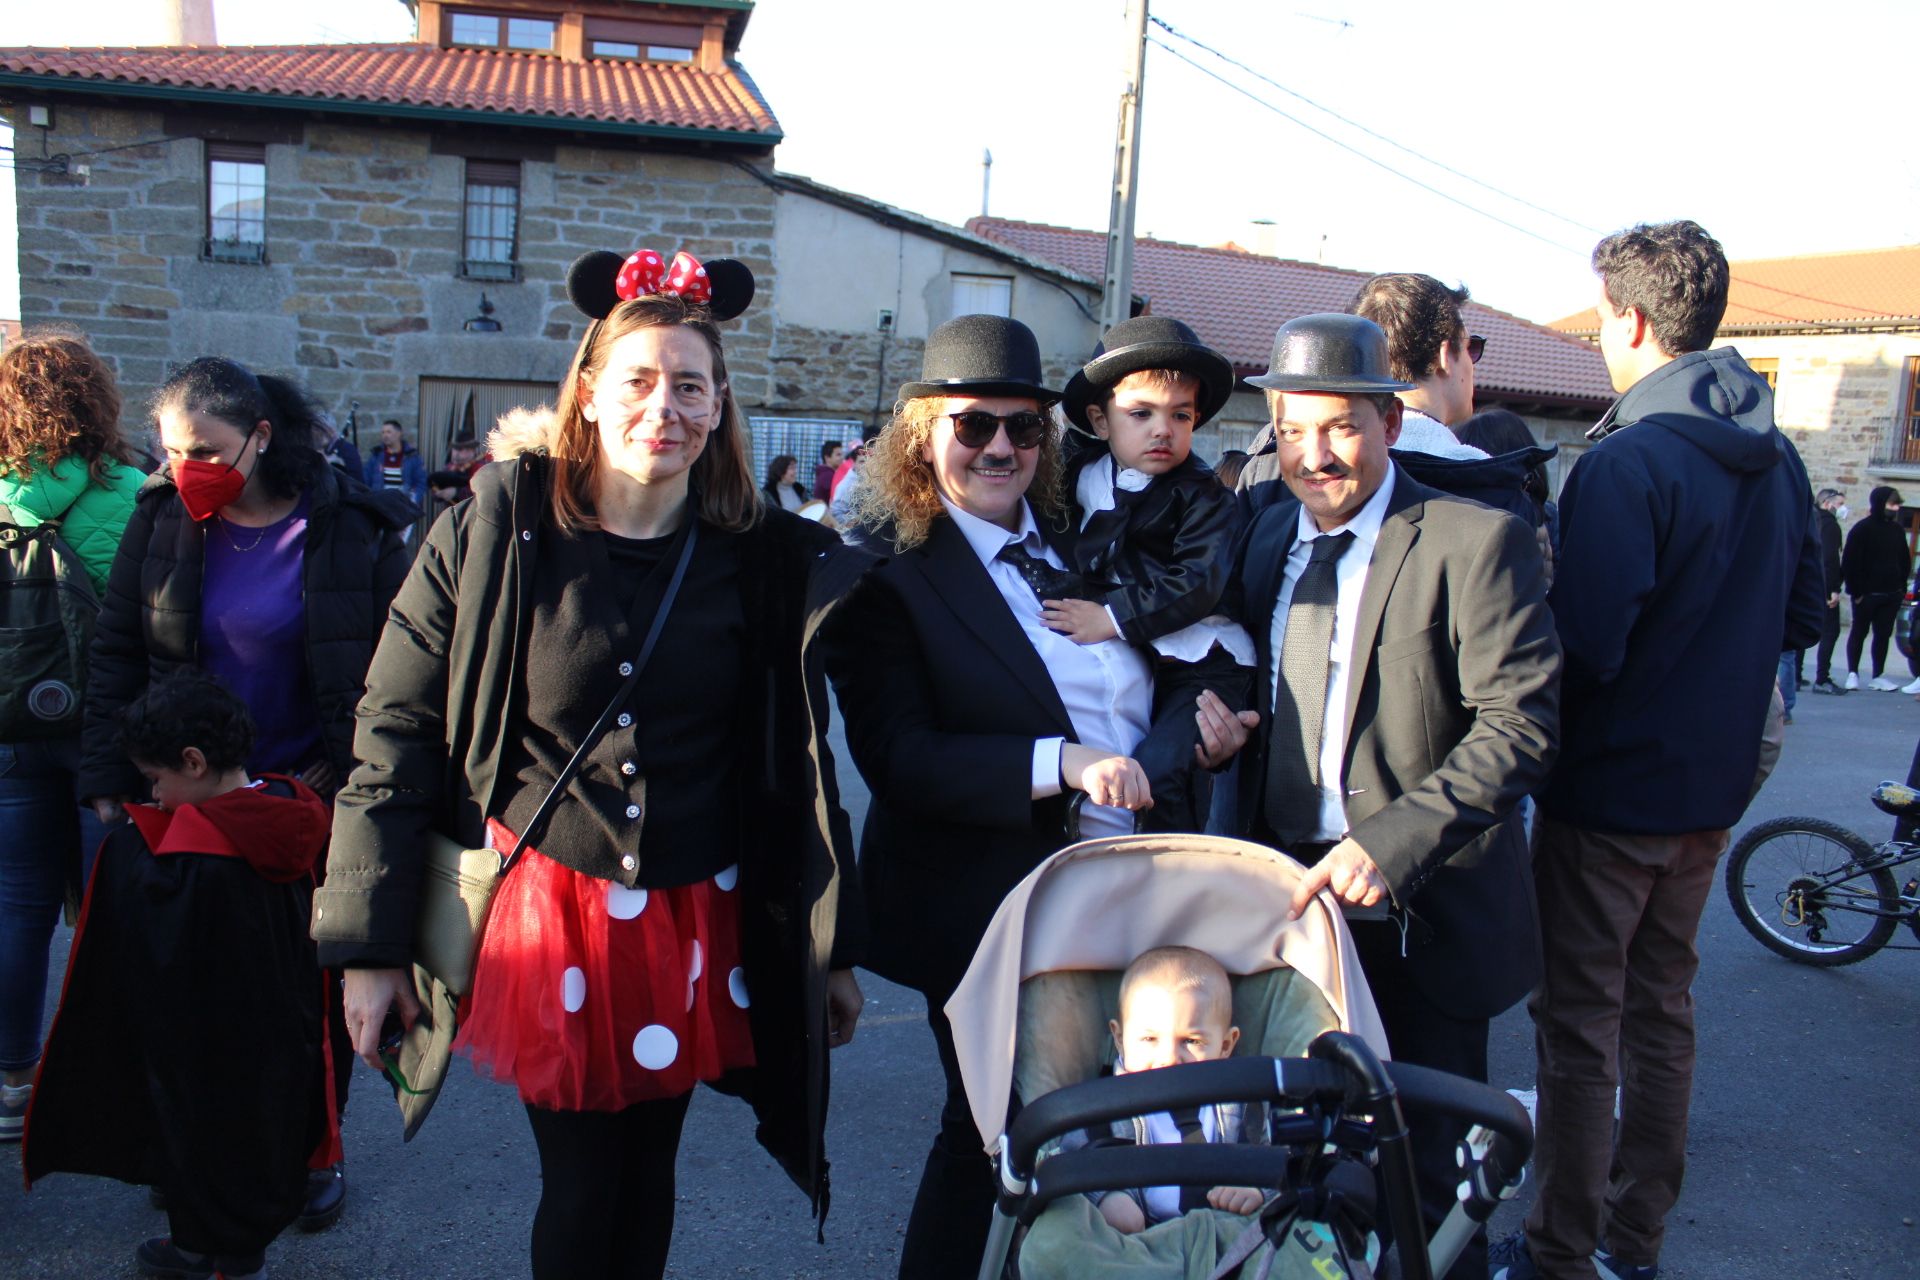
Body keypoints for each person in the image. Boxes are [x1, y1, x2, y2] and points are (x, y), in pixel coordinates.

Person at [311, 248, 865, 1280]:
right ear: (590, 393)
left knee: (646, 1172)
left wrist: (833, 945)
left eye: (690, 384)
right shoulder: (493, 529)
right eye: (640, 380)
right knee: (580, 1179)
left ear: (720, 405)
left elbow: (803, 759)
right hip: (550, 907)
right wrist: (369, 944)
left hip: (696, 906)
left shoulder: (762, 555)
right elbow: (391, 734)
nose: (667, 406)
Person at [1502, 221, 1823, 1280]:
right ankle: (1634, 1240)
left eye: (1601, 315)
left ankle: (1559, 1250)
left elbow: (1586, 645)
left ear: (1631, 318)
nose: (1600, 334)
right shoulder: (1777, 457)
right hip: (1712, 790)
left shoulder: (1627, 459)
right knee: (1663, 1013)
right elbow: (1802, 617)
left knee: (1582, 1030)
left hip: (1612, 797)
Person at [827, 314, 1171, 1279]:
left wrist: (1209, 713)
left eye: (1025, 429)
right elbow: (901, 759)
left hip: (1125, 890)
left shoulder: (1081, 547)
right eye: (974, 426)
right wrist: (1055, 760)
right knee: (999, 1136)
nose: (1001, 449)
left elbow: (1159, 669)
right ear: (921, 435)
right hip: (985, 907)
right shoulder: (888, 580)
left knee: (1097, 1132)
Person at [1220, 312, 1560, 1280]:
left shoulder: (1474, 540)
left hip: (1426, 916)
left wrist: (1392, 842)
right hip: (1293, 911)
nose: (1313, 454)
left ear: (1390, 425)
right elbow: (1255, 683)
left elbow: (1522, 724)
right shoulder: (1265, 534)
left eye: (1338, 427)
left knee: (1432, 1188)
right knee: (1305, 1166)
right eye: (1291, 429)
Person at [78, 355, 414, 1229]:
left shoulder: (351, 527)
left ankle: (310, 1155)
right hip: (190, 809)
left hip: (311, 811)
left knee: (308, 1005)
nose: (184, 467)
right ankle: (199, 1152)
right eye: (171, 449)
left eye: (206, 448)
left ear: (262, 438)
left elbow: (399, 673)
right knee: (195, 998)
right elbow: (118, 651)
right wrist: (114, 777)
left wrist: (346, 773)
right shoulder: (162, 521)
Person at [26, 671, 335, 1280]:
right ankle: (238, 1246)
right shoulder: (289, 813)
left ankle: (207, 1252)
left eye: (155, 779)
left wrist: (129, 858)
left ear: (192, 762)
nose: (155, 797)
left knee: (204, 1131)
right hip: (282, 1032)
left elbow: (149, 960)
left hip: (203, 1043)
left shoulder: (183, 860)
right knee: (266, 1128)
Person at [0, 333, 143, 1141]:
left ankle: (13, 1081)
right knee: (109, 914)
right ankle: (113, 1075)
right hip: (105, 732)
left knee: (14, 910)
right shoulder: (130, 489)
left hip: (9, 725)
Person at [1055, 315, 1255, 832]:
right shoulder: (1082, 473)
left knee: (1161, 769)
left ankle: (1165, 869)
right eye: (1140, 413)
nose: (1162, 429)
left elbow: (1198, 582)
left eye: (1181, 416)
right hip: (1143, 656)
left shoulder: (1206, 495)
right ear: (1101, 422)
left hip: (1202, 663)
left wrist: (1112, 617)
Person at [1064, 945, 1265, 1234]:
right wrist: (1105, 1196)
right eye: (1149, 1039)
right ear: (1120, 1039)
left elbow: (1283, 1158)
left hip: (1223, 1239)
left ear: (1225, 1046)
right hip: (1134, 1246)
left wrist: (1257, 1186)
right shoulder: (1099, 1108)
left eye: (1191, 1041)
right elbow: (1067, 1160)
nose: (1169, 1058)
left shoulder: (1244, 1106)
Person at [1839, 484, 1910, 690]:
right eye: (1891, 504)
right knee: (1859, 632)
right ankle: (1853, 673)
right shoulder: (1862, 529)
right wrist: (1857, 592)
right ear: (1879, 504)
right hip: (1866, 595)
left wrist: (1901, 588)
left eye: (1897, 505)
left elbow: (1904, 560)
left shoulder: (1897, 530)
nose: (1895, 509)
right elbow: (1850, 562)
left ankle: (1878, 674)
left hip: (1891, 594)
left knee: (1883, 635)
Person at [1808, 489, 1848, 695]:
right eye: (1840, 504)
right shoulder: (1830, 525)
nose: (1842, 508)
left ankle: (1795, 676)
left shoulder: (1809, 518)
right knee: (1830, 632)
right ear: (1827, 503)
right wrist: (1833, 589)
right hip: (1823, 585)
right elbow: (1830, 559)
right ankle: (1822, 678)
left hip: (1809, 583)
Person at [362, 417, 427, 512]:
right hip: (380, 505)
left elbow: (421, 481)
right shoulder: (376, 456)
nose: (385, 435)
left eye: (389, 432)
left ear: (399, 433)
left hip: (404, 506)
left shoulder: (412, 457)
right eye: (383, 432)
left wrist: (414, 500)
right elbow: (366, 480)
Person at [429, 430, 488, 506]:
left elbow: (483, 493)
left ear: (470, 451)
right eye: (454, 449)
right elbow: (436, 491)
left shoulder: (481, 468)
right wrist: (438, 492)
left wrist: (457, 492)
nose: (455, 454)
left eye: (459, 450)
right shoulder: (450, 467)